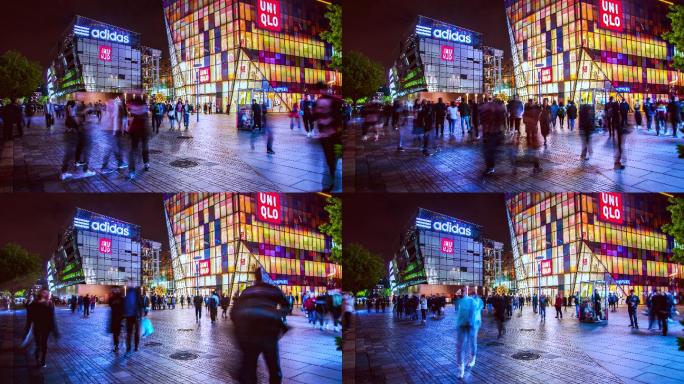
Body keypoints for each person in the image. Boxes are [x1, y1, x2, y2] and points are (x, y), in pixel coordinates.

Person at [230, 268, 288, 384]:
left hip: (249, 335)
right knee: (273, 367)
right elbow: (286, 307)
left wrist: (240, 327)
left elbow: (233, 312)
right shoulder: (274, 290)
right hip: (268, 334)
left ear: (255, 277)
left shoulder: (247, 291)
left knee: (250, 367)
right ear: (265, 276)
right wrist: (275, 316)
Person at [313, 86, 343, 192]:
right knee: (330, 157)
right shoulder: (331, 101)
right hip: (329, 134)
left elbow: (316, 116)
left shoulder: (324, 101)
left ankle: (332, 175)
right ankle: (332, 174)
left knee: (330, 157)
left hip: (329, 134)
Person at [24, 288, 59, 368]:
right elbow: (29, 318)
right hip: (37, 327)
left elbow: (52, 318)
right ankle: (37, 357)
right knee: (38, 344)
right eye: (43, 292)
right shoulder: (33, 304)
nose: (45, 294)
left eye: (47, 293)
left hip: (46, 328)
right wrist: (27, 328)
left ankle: (43, 360)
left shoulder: (50, 304)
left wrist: (55, 331)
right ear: (40, 293)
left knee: (44, 344)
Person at [455, 287, 482, 379]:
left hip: (471, 326)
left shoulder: (472, 301)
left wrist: (473, 322)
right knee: (460, 347)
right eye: (459, 292)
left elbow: (476, 311)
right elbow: (458, 313)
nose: (460, 294)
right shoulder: (459, 301)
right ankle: (460, 367)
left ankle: (472, 358)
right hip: (461, 326)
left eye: (462, 292)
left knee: (472, 343)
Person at [480, 96, 506, 176]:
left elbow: (483, 119)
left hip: (491, 133)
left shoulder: (489, 108)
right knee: (489, 150)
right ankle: (491, 166)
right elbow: (503, 120)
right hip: (494, 132)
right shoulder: (499, 109)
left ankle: (490, 167)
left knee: (489, 151)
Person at [101, 98, 127, 173]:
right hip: (111, 130)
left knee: (117, 147)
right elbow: (114, 118)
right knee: (110, 149)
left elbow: (113, 118)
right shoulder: (114, 105)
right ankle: (104, 167)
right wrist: (115, 130)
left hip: (111, 130)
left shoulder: (111, 105)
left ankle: (120, 162)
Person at [127, 96, 151, 180]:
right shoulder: (144, 106)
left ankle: (132, 171)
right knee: (143, 148)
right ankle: (145, 163)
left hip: (136, 130)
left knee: (134, 150)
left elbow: (130, 118)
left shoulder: (132, 106)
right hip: (141, 130)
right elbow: (146, 117)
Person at [123, 283, 144, 354]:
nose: (130, 284)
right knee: (129, 333)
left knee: (136, 332)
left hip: (136, 316)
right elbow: (125, 305)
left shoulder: (137, 293)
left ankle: (136, 346)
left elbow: (141, 304)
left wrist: (140, 314)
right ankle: (128, 347)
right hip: (129, 316)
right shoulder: (127, 293)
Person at [109, 287, 124, 352]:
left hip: (118, 318)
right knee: (116, 333)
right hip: (116, 318)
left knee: (117, 333)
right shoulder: (113, 298)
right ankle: (116, 345)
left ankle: (117, 344)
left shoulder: (120, 299)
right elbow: (110, 304)